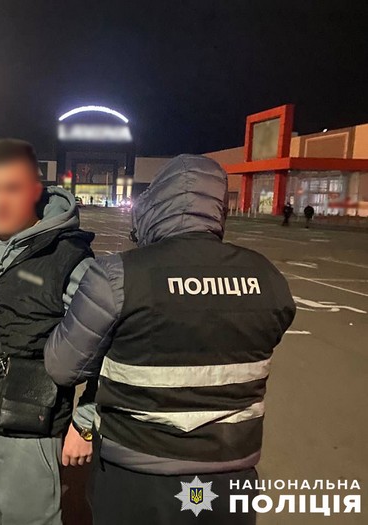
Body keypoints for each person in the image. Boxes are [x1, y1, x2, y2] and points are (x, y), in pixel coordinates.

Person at [44, 155, 297, 524]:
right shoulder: (266, 276)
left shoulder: (118, 275)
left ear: (156, 205)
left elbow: (62, 366)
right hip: (230, 473)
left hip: (136, 473)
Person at [0, 138, 95, 525]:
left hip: (32, 432)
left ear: (36, 191)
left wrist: (86, 422)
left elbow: (108, 348)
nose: (0, 202)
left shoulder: (70, 260)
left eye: (12, 189)